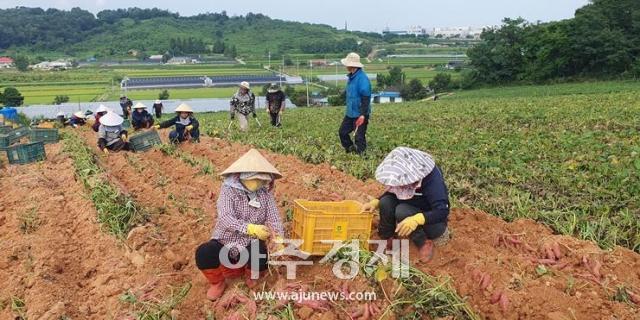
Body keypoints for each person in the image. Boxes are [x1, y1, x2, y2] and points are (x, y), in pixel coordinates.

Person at [195, 148, 284, 300]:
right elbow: (225, 218)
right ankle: (217, 283)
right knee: (204, 253)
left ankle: (252, 277)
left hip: (250, 242)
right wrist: (250, 228)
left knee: (260, 253)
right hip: (225, 239)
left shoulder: (264, 193)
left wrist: (279, 239)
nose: (258, 183)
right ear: (242, 176)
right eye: (255, 179)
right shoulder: (228, 191)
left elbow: (273, 217)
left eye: (262, 179)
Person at [362, 147, 450, 263]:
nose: (399, 185)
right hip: (411, 205)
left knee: (402, 211)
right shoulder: (400, 177)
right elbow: (393, 191)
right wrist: (376, 202)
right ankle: (387, 237)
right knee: (385, 202)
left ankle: (423, 242)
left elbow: (442, 211)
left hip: (431, 219)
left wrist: (417, 219)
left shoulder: (431, 179)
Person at [338, 52, 372, 155]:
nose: (346, 66)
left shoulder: (362, 79)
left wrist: (362, 115)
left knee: (359, 137)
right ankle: (350, 150)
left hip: (360, 113)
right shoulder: (351, 77)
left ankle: (362, 156)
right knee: (342, 132)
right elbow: (351, 92)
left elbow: (365, 98)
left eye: (347, 64)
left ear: (352, 65)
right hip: (350, 113)